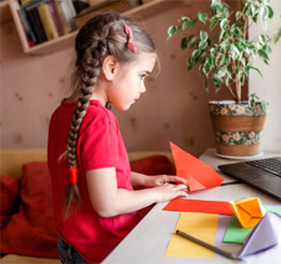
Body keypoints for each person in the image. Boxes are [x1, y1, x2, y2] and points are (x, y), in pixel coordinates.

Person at [47, 13, 188, 264]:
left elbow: (95, 171)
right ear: (111, 68)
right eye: (142, 75)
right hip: (100, 250)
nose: (143, 88)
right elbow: (108, 204)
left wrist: (145, 180)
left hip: (69, 244)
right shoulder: (99, 120)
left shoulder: (62, 113)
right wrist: (160, 195)